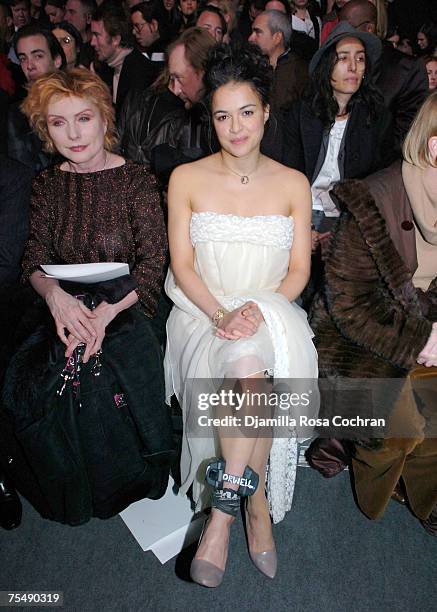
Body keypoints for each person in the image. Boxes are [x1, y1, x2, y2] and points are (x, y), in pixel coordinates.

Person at [164, 41, 318, 587]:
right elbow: (182, 265)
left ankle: (225, 514)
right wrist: (223, 313)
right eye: (223, 115)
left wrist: (257, 307)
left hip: (270, 309)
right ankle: (252, 511)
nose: (235, 127)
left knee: (251, 361)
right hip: (201, 310)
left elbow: (298, 272)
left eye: (247, 112)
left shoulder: (294, 183)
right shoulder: (186, 178)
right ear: (211, 118)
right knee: (248, 366)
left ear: (267, 112)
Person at [1, 68, 174, 525]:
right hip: (61, 301)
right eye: (58, 123)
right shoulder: (46, 184)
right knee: (43, 372)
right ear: (45, 129)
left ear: (103, 119)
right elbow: (33, 259)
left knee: (104, 368)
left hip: (128, 302)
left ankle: (135, 468)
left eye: (83, 118)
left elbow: (153, 264)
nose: (74, 134)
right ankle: (81, 484)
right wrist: (56, 298)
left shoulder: (136, 179)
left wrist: (104, 315)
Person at [306, 91, 437, 535]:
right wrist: (420, 340)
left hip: (421, 327)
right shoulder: (374, 199)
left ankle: (427, 499)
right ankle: (379, 489)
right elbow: (350, 309)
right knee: (402, 428)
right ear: (436, 148)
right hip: (357, 343)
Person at [283, 22, 394, 268]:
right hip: (303, 211)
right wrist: (303, 228)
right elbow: (286, 175)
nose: (353, 67)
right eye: (343, 58)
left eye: (360, 59)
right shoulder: (302, 113)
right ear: (327, 65)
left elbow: (377, 182)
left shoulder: (375, 118)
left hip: (348, 218)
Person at [340, 0, 429, 150]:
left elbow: (408, 135)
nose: (341, 35)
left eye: (348, 29)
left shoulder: (406, 69)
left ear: (369, 28)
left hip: (383, 167)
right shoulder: (336, 63)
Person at [7, 24, 66, 173]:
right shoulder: (17, 114)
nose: (29, 66)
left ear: (57, 60)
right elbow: (22, 170)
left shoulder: (79, 102)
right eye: (23, 59)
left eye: (38, 56)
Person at [91, 1, 160, 115]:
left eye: (97, 35)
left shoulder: (141, 74)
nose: (92, 42)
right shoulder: (104, 68)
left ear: (116, 39)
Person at [249, 9, 309, 112]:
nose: (250, 38)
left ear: (277, 37)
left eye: (258, 32)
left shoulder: (298, 72)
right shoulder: (252, 66)